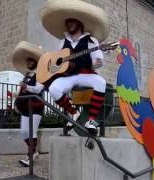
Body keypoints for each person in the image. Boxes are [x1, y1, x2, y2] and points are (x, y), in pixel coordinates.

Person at [40, 0, 111, 133]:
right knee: (54, 88)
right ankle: (74, 112)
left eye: (73, 21)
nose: (70, 24)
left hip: (86, 74)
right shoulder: (63, 41)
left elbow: (97, 56)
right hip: (69, 75)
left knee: (101, 83)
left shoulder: (91, 40)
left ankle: (91, 120)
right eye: (68, 22)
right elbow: (59, 58)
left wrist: (98, 61)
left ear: (80, 23)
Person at [12, 41, 45, 167]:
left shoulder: (41, 74)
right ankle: (34, 151)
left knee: (31, 132)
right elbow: (22, 90)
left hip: (36, 107)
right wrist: (16, 98)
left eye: (32, 61)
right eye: (28, 61)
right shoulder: (27, 75)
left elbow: (38, 89)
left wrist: (27, 87)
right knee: (23, 132)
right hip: (25, 107)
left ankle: (30, 156)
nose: (29, 63)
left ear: (36, 62)